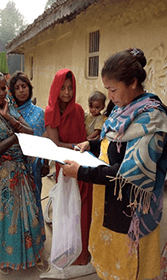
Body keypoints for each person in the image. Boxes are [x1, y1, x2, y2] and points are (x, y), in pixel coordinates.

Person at [60, 48, 167, 279]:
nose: (110, 96)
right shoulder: (122, 109)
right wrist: (93, 145)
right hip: (109, 198)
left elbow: (131, 172)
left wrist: (81, 172)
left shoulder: (151, 117)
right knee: (111, 255)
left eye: (113, 89)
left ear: (133, 83)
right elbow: (114, 144)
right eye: (107, 89)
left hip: (132, 208)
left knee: (130, 263)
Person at [0, 70, 48, 275]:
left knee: (29, 214)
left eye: (3, 88)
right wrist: (16, 135)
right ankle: (6, 259)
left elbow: (31, 132)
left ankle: (32, 256)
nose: (0, 93)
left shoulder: (11, 107)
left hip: (21, 170)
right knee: (6, 218)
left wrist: (9, 118)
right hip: (0, 175)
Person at [40, 69, 95, 279]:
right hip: (65, 169)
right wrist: (77, 147)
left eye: (71, 87)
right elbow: (55, 145)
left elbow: (82, 137)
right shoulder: (50, 112)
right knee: (67, 212)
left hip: (81, 167)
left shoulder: (79, 110)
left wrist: (81, 149)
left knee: (83, 211)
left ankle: (82, 255)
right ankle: (69, 249)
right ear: (55, 88)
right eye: (62, 88)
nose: (67, 92)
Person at [8, 71, 49, 243]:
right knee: (15, 205)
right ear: (12, 91)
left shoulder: (39, 112)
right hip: (14, 166)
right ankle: (19, 244)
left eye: (24, 86)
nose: (21, 90)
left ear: (29, 89)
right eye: (17, 88)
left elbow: (44, 138)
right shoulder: (7, 111)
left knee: (34, 202)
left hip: (34, 166)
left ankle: (37, 241)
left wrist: (46, 162)